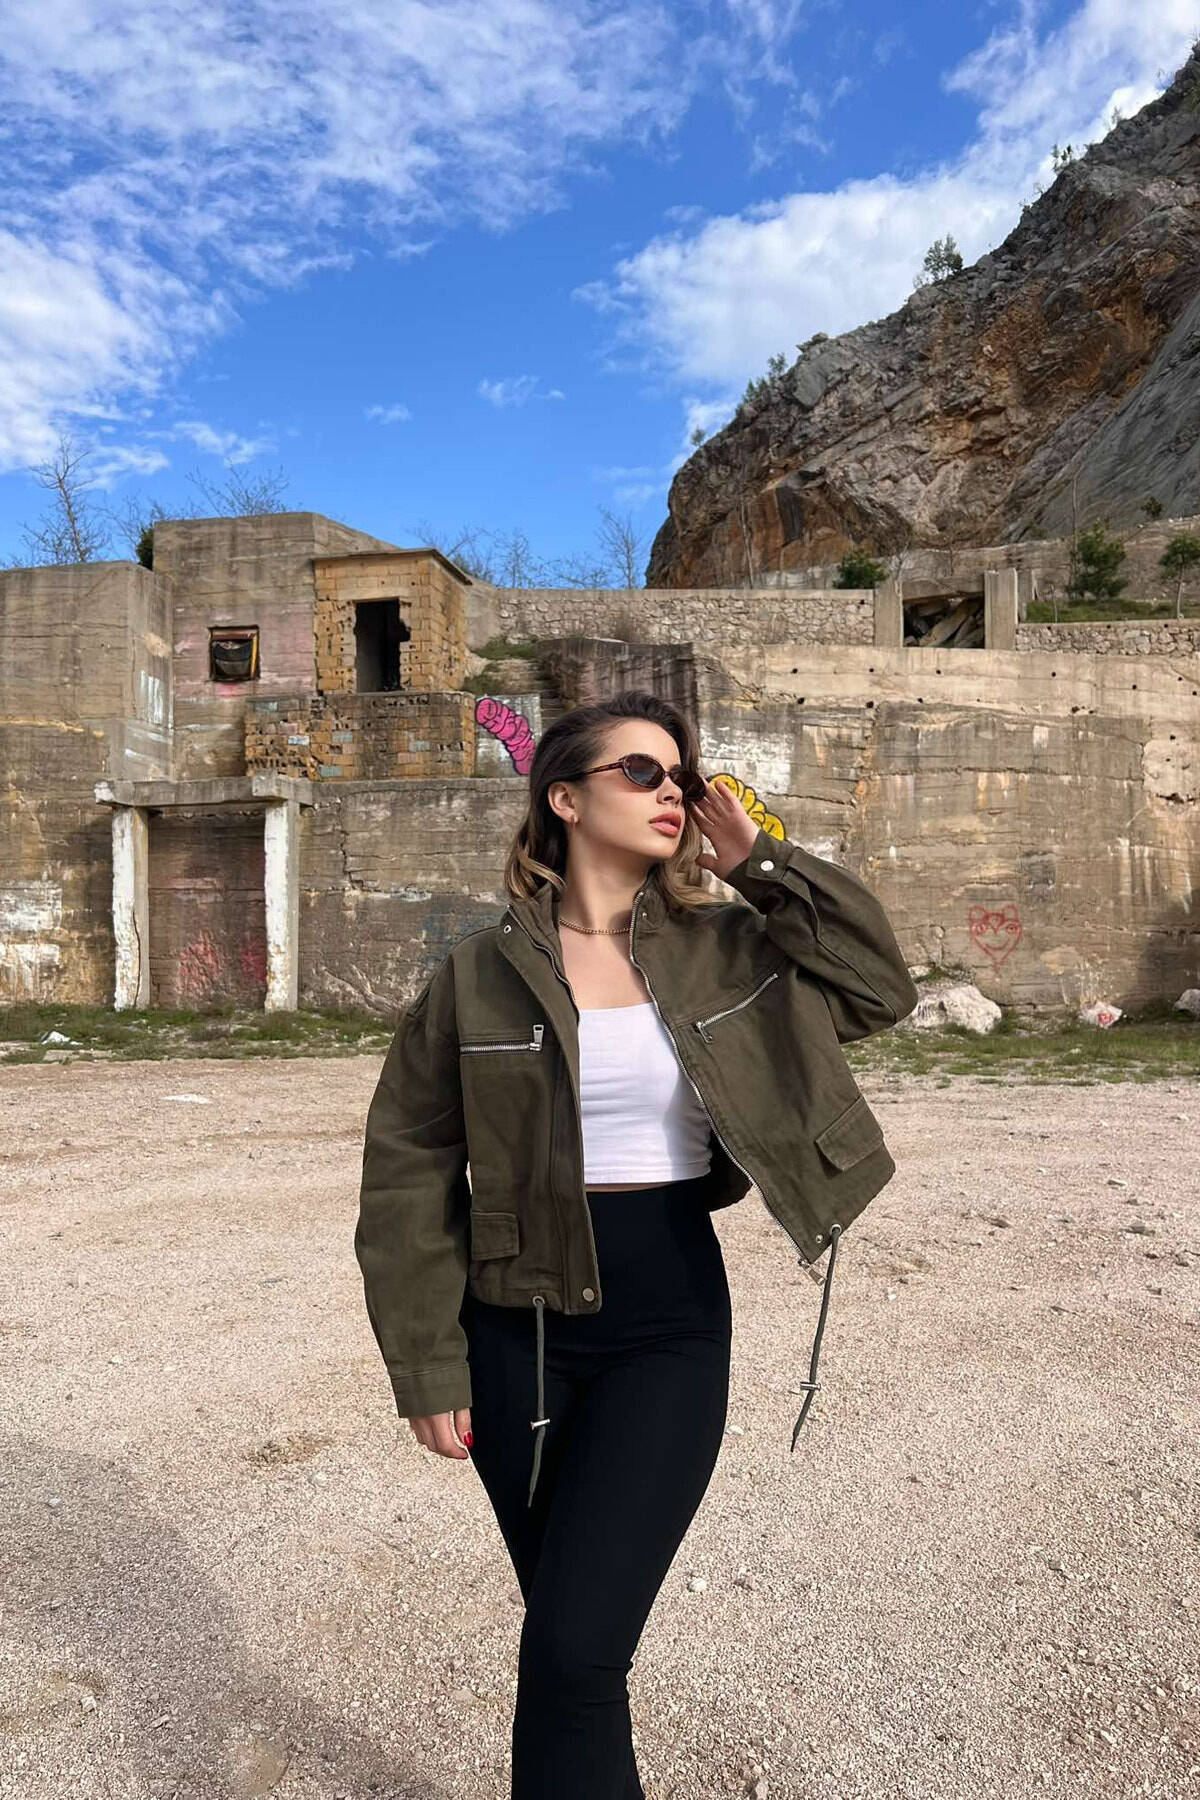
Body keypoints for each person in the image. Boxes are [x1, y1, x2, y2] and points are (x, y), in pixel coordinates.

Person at [355, 688, 918, 1798]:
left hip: (667, 1327)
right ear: (564, 799)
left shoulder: (732, 948)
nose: (674, 793)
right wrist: (425, 1362)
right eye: (644, 772)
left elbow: (878, 987)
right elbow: (409, 1166)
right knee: (568, 1644)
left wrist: (761, 863)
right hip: (514, 1329)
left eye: (683, 776)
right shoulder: (478, 973)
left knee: (576, 1651)